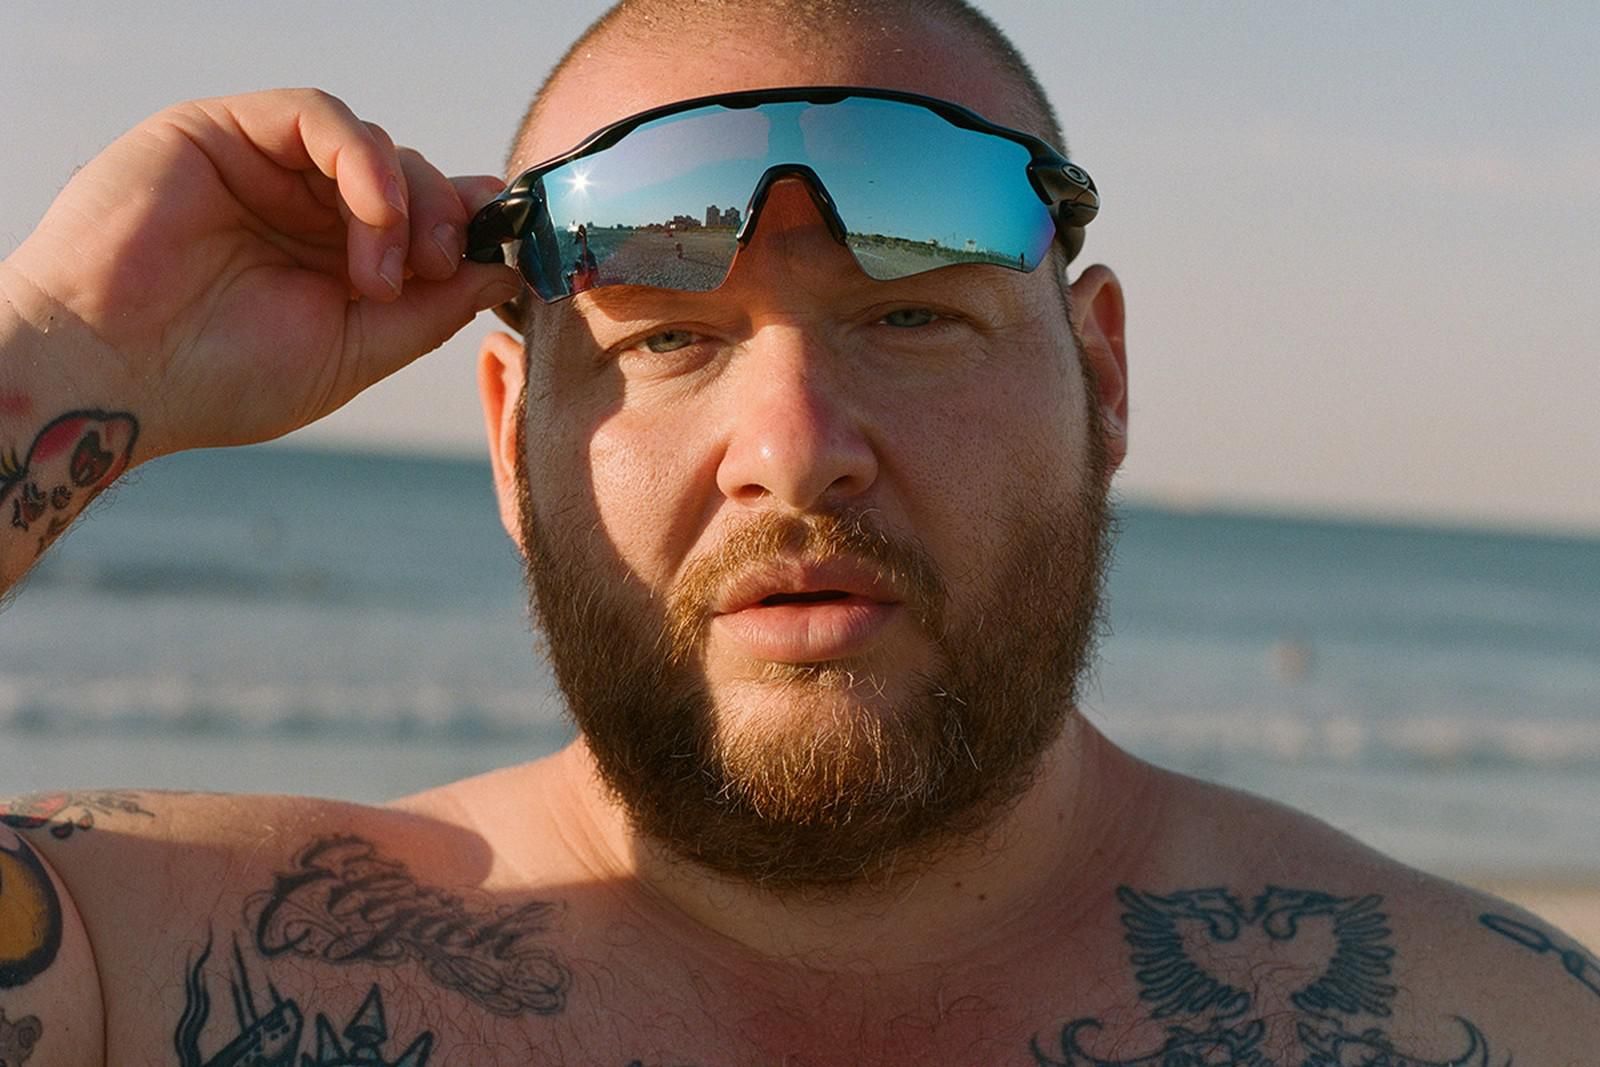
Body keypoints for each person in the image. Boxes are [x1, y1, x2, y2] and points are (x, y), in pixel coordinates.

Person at [0, 2, 1595, 1064]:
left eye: (910, 318)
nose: (796, 450)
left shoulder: (1502, 1028)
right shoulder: (147, 972)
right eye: (667, 341)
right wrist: (62, 351)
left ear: (1102, 379)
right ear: (507, 442)